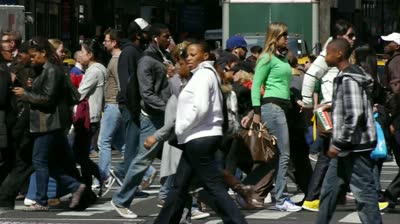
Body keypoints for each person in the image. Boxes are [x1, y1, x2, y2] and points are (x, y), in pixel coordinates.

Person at [154, 40, 247, 224]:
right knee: (179, 187)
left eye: (193, 54)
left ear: (205, 56)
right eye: (187, 54)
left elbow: (202, 107)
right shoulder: (202, 74)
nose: (188, 58)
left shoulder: (204, 75)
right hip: (198, 137)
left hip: (199, 138)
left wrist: (181, 127)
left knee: (213, 187)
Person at [12, 37, 85, 211]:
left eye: (34, 55)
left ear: (43, 53)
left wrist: (26, 94)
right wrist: (30, 88)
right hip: (44, 123)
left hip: (48, 123)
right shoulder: (42, 69)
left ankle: (42, 200)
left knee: (39, 161)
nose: (31, 58)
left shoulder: (52, 70)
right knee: (47, 162)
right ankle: (75, 186)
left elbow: (48, 99)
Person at [316, 38, 382, 224]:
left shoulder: (348, 79)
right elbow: (353, 106)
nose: (326, 57)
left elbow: (354, 114)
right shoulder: (350, 76)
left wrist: (338, 143)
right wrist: (333, 106)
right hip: (347, 148)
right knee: (329, 192)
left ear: (339, 54)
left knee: (364, 195)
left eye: (328, 52)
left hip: (354, 147)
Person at [111, 23, 172, 219]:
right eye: (165, 36)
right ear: (155, 37)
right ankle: (121, 199)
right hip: (152, 118)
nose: (168, 39)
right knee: (142, 161)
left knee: (178, 157)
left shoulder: (162, 56)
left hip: (165, 117)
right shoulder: (146, 60)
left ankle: (175, 199)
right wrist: (169, 107)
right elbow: (147, 94)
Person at [249, 22, 302, 212]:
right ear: (275, 36)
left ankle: (246, 189)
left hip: (283, 107)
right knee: (283, 155)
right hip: (272, 108)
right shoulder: (266, 58)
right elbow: (256, 86)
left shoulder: (282, 58)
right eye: (284, 35)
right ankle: (281, 199)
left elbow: (282, 85)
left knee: (276, 157)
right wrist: (256, 112)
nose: (287, 38)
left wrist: (295, 99)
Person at [115, 18, 150, 184]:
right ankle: (129, 183)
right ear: (137, 35)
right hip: (131, 105)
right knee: (131, 145)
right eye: (145, 32)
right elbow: (127, 83)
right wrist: (134, 107)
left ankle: (122, 171)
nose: (148, 35)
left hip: (135, 105)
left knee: (135, 145)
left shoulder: (137, 51)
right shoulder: (129, 52)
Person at [97, 28, 125, 195]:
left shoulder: (116, 60)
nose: (104, 43)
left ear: (114, 42)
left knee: (103, 141)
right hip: (116, 105)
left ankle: (103, 176)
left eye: (107, 40)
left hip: (113, 104)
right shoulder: (117, 59)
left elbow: (121, 84)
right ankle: (148, 172)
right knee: (121, 143)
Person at [75, 38, 106, 189]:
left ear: (90, 55)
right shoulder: (98, 69)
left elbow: (79, 94)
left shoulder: (94, 71)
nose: (80, 54)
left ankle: (98, 176)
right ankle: (88, 183)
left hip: (89, 116)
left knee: (79, 154)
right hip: (92, 115)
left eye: (82, 51)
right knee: (81, 154)